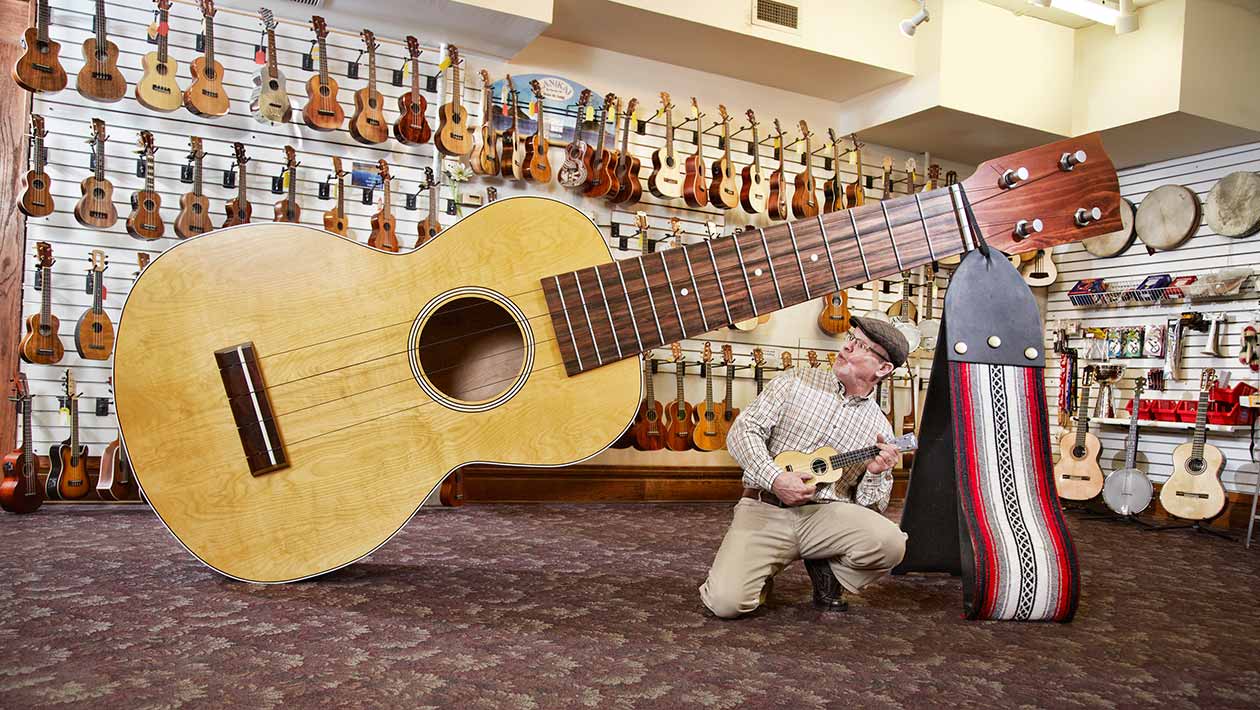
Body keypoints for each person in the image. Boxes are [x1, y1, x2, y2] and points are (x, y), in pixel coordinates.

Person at [699, 318, 910, 617]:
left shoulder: (879, 427)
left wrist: (876, 474)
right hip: (766, 508)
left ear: (883, 368)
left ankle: (828, 568)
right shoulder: (794, 381)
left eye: (862, 346)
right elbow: (743, 432)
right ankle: (760, 572)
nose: (847, 347)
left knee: (891, 543)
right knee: (726, 604)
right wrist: (775, 479)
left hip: (825, 518)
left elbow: (870, 506)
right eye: (851, 338)